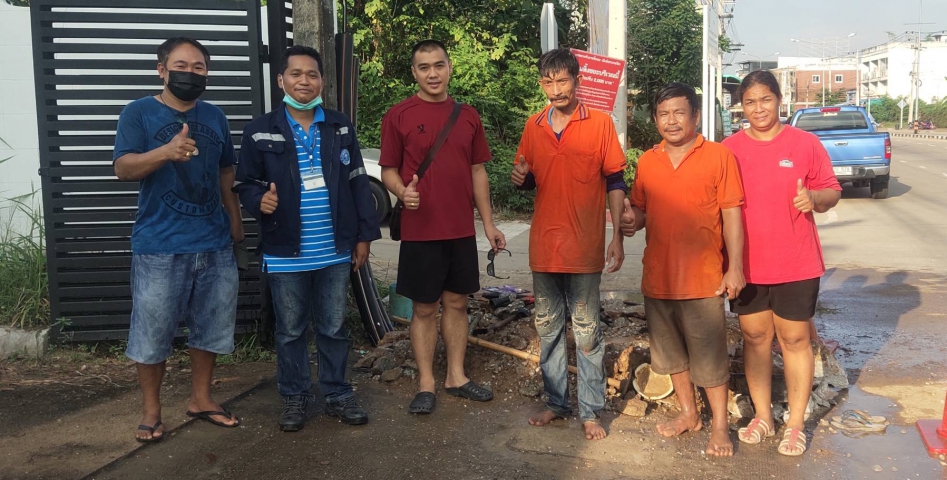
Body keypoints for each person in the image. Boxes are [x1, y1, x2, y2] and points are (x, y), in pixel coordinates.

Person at [234, 45, 381, 431]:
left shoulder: (339, 126)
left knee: (333, 327)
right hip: (285, 252)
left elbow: (358, 182)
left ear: (322, 81)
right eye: (296, 74)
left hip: (334, 251)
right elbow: (245, 183)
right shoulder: (260, 129)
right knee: (290, 331)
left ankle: (337, 393)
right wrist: (259, 200)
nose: (304, 81)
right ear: (281, 80)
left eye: (312, 74)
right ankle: (295, 396)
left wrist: (364, 236)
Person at [113, 37, 243, 442]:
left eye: (199, 67)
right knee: (152, 332)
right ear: (162, 69)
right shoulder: (138, 112)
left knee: (211, 328)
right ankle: (151, 411)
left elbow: (226, 172)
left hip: (214, 243)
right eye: (182, 66)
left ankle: (201, 399)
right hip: (159, 245)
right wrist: (166, 152)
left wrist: (235, 222)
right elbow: (123, 168)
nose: (191, 73)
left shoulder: (216, 116)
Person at [379, 40, 506, 415]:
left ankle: (456, 376)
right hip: (420, 230)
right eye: (424, 67)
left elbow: (478, 171)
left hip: (460, 230)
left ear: (450, 67)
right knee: (423, 308)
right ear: (414, 73)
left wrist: (488, 224)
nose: (432, 73)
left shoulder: (468, 115)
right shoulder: (398, 115)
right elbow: (388, 169)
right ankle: (426, 383)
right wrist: (402, 192)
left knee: (457, 303)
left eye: (438, 65)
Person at [619, 82, 746, 456]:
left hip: (704, 279)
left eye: (679, 112)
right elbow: (641, 211)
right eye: (663, 114)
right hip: (658, 277)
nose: (671, 121)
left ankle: (719, 425)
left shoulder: (719, 157)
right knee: (672, 356)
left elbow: (732, 215)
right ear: (655, 119)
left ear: (695, 116)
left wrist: (735, 268)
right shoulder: (648, 161)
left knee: (710, 359)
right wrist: (632, 221)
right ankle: (690, 414)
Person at [722, 70, 841, 457]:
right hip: (746, 265)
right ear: (742, 106)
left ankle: (795, 424)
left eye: (765, 99)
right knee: (755, 340)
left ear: (779, 100)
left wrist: (815, 200)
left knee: (794, 340)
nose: (758, 108)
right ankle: (763, 416)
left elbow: (831, 190)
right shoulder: (729, 150)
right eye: (750, 102)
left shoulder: (805, 144)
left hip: (796, 262)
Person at [511, 48, 627, 441]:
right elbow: (530, 177)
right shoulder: (534, 126)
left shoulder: (600, 123)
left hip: (584, 247)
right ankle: (557, 403)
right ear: (541, 84)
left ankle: (591, 411)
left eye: (563, 80)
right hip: (545, 246)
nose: (556, 89)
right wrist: (521, 179)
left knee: (588, 331)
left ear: (577, 80)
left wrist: (617, 236)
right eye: (549, 82)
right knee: (547, 328)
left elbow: (615, 180)